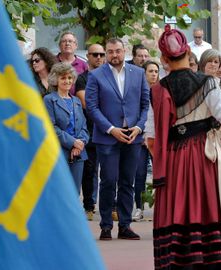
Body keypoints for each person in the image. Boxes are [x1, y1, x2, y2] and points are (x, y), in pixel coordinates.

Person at [146, 25, 221, 269]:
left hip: (171, 161)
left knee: (176, 211)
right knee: (206, 209)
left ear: (163, 59)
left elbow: (151, 140)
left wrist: (167, 157)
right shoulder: (208, 83)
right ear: (188, 54)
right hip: (202, 155)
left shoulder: (157, 91)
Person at [85, 38, 149, 241]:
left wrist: (139, 127)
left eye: (118, 51)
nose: (114, 55)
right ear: (106, 53)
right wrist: (111, 129)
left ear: (124, 52)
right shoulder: (96, 75)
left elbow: (145, 104)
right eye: (110, 51)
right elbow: (92, 107)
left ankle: (125, 225)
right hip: (107, 138)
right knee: (108, 181)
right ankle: (105, 226)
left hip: (133, 137)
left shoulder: (138, 73)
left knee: (127, 182)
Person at [43, 62, 89, 193]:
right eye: (63, 78)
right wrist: (72, 142)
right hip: (59, 152)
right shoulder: (49, 99)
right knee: (59, 191)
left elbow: (84, 127)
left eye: (69, 78)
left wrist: (80, 143)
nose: (67, 81)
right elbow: (51, 127)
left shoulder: (77, 101)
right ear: (55, 80)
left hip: (78, 153)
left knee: (74, 192)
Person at [75, 44, 106, 221]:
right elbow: (87, 103)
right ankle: (89, 206)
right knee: (90, 170)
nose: (99, 57)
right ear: (88, 56)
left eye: (102, 54)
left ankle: (111, 206)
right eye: (95, 54)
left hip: (110, 131)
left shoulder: (111, 77)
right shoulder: (82, 78)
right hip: (90, 130)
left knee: (110, 172)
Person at [132, 60, 159, 222]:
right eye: (150, 71)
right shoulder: (136, 92)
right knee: (140, 174)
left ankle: (161, 208)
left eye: (156, 71)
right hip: (140, 139)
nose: (154, 74)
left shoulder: (161, 92)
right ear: (144, 73)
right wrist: (142, 134)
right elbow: (137, 115)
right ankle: (139, 207)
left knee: (160, 174)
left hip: (157, 140)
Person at [56, 31, 88, 95]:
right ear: (59, 45)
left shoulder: (84, 65)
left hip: (78, 102)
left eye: (70, 41)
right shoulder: (51, 61)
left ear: (76, 46)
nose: (67, 43)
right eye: (64, 41)